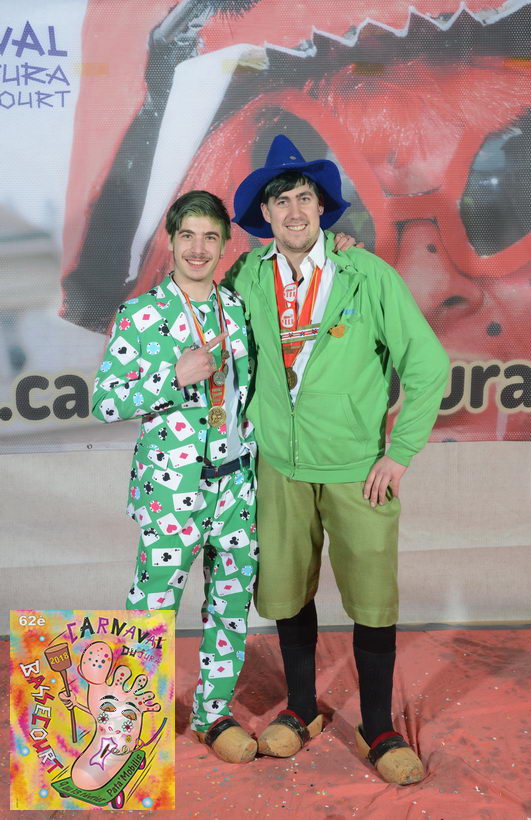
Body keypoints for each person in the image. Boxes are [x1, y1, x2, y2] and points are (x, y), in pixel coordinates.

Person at [224, 135, 450, 785]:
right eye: (280, 201)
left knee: (373, 600)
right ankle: (302, 709)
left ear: (322, 207)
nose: (294, 211)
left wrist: (399, 454)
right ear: (264, 215)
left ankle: (377, 727)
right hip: (279, 466)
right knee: (285, 591)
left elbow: (428, 366)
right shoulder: (246, 277)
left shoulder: (365, 273)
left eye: (304, 197)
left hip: (357, 470)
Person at [91, 191, 259, 764]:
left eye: (211, 237)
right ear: (170, 240)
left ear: (225, 244)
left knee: (230, 608)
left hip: (235, 485)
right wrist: (173, 376)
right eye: (188, 235)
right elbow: (105, 402)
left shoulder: (236, 310)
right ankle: (131, 725)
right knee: (152, 608)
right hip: (172, 489)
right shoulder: (141, 314)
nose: (198, 248)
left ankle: (213, 716)